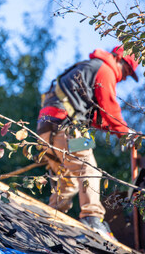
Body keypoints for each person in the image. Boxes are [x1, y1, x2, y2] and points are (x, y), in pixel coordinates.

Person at [36, 46, 139, 240]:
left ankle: (50, 219)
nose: (124, 78)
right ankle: (92, 218)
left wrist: (118, 130)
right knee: (89, 168)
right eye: (126, 71)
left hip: (46, 129)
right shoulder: (105, 69)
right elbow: (110, 108)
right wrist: (127, 134)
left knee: (67, 180)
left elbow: (99, 118)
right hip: (67, 127)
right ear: (119, 59)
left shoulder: (88, 68)